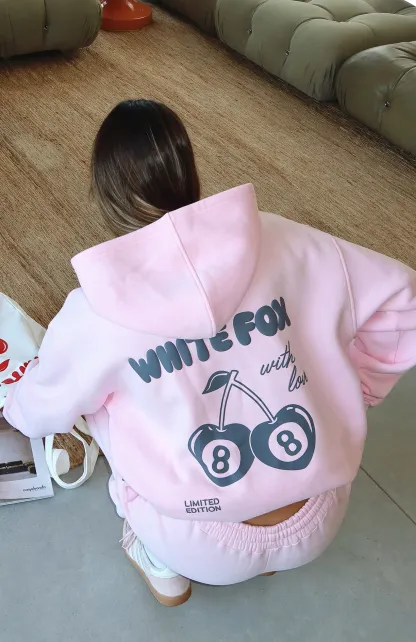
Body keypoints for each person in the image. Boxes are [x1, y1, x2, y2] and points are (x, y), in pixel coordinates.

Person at [4, 100, 416, 607]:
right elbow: (404, 300)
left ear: (104, 196)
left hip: (195, 541)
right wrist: (361, 385)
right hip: (318, 514)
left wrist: (16, 403)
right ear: (189, 172)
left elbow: (39, 413)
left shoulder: (92, 311)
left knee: (104, 406)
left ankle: (158, 561)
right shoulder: (282, 236)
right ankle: (272, 550)